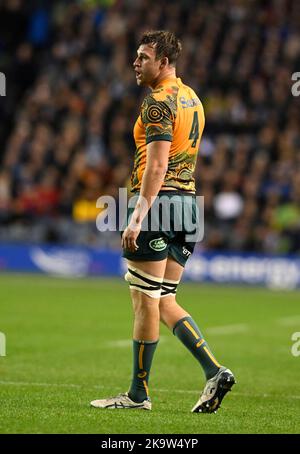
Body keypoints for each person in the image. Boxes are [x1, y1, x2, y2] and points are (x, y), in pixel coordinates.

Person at [91, 30, 235, 413]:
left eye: (143, 57)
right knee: (164, 298)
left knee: (143, 301)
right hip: (188, 205)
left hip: (157, 205)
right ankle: (214, 371)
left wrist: (137, 215)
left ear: (165, 62)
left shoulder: (157, 101)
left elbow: (157, 164)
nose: (136, 63)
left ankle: (138, 395)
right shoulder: (195, 99)